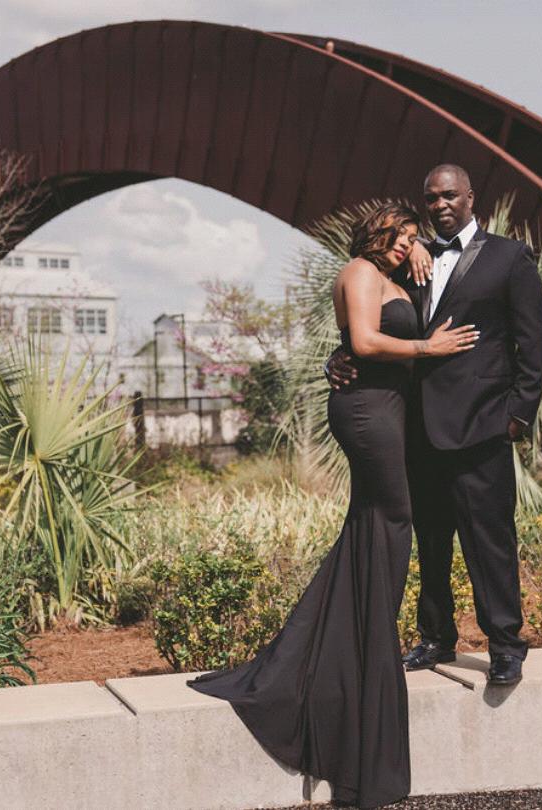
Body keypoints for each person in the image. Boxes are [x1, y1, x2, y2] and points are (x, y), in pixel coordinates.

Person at [188, 203, 478, 809]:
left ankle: (354, 643)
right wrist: (429, 347)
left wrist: (417, 249)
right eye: (396, 234)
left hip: (389, 408)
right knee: (392, 519)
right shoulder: (358, 271)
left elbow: (373, 325)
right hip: (366, 410)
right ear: (373, 233)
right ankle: (368, 647)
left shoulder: (393, 272)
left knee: (372, 524)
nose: (404, 242)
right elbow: (365, 340)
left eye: (409, 236)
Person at [328, 164, 542, 687]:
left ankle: (505, 643)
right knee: (430, 539)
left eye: (449, 195)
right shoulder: (410, 261)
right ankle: (435, 636)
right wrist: (336, 360)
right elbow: (372, 324)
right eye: (431, 198)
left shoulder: (509, 258)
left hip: (482, 426)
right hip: (414, 426)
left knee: (489, 538)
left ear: (470, 196)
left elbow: (534, 342)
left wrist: (516, 417)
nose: (440, 204)